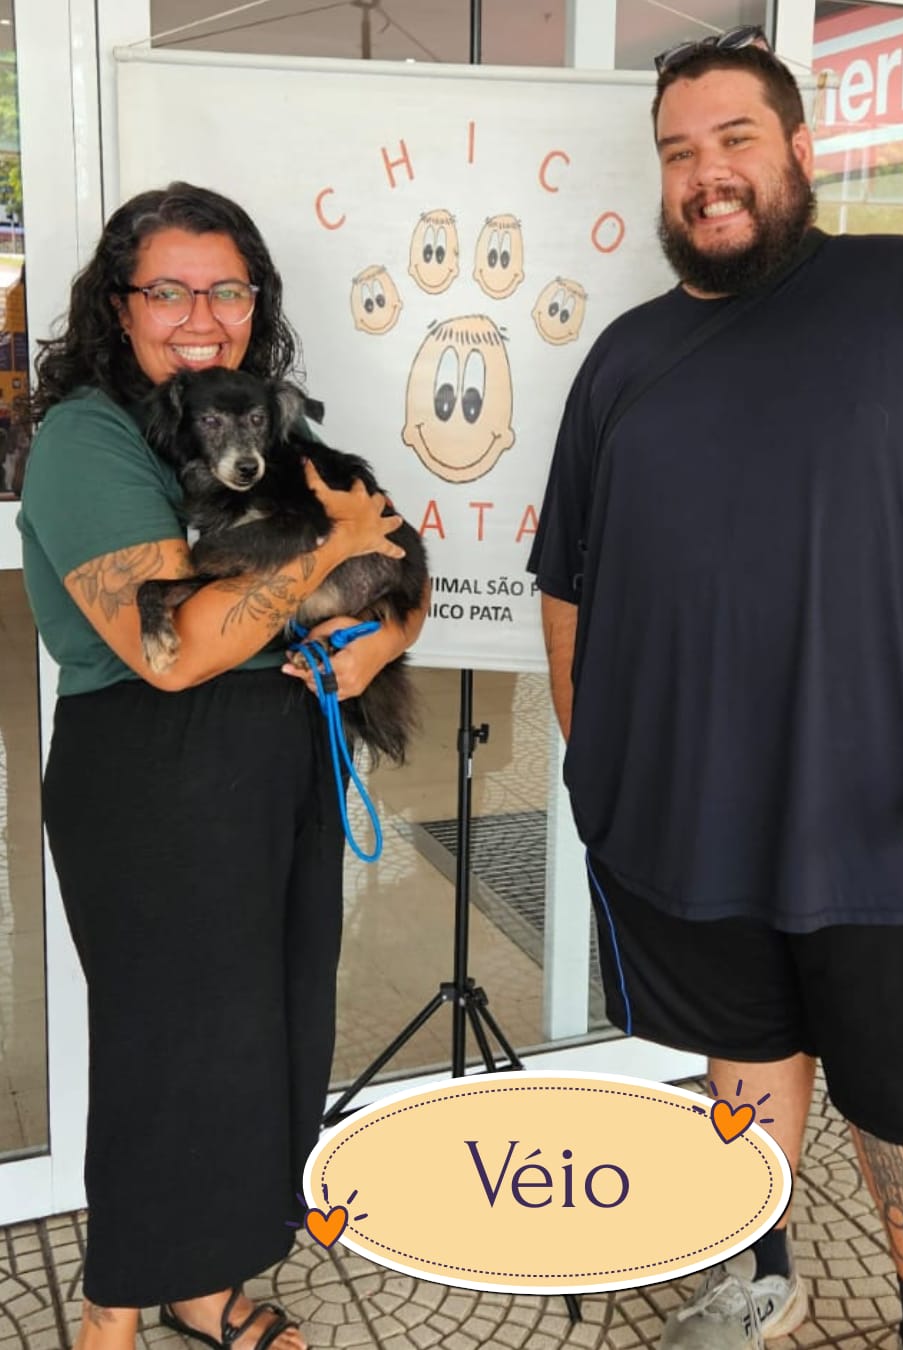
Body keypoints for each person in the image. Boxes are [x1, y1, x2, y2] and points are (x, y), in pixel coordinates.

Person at [528, 35, 903, 1350]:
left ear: (800, 149)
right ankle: (760, 1270)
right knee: (741, 1047)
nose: (706, 174)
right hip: (690, 818)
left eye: (734, 140)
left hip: (895, 816)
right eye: (679, 152)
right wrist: (595, 752)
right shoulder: (624, 359)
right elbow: (568, 579)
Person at [18, 182, 427, 1350]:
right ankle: (112, 1312)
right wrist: (329, 553)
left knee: (265, 1041)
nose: (202, 315)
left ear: (258, 305)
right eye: (170, 290)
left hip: (277, 761)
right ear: (119, 304)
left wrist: (381, 638)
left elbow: (397, 562)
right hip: (153, 778)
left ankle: (201, 1286)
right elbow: (175, 650)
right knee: (169, 1052)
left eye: (228, 290)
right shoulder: (89, 438)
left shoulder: (267, 428)